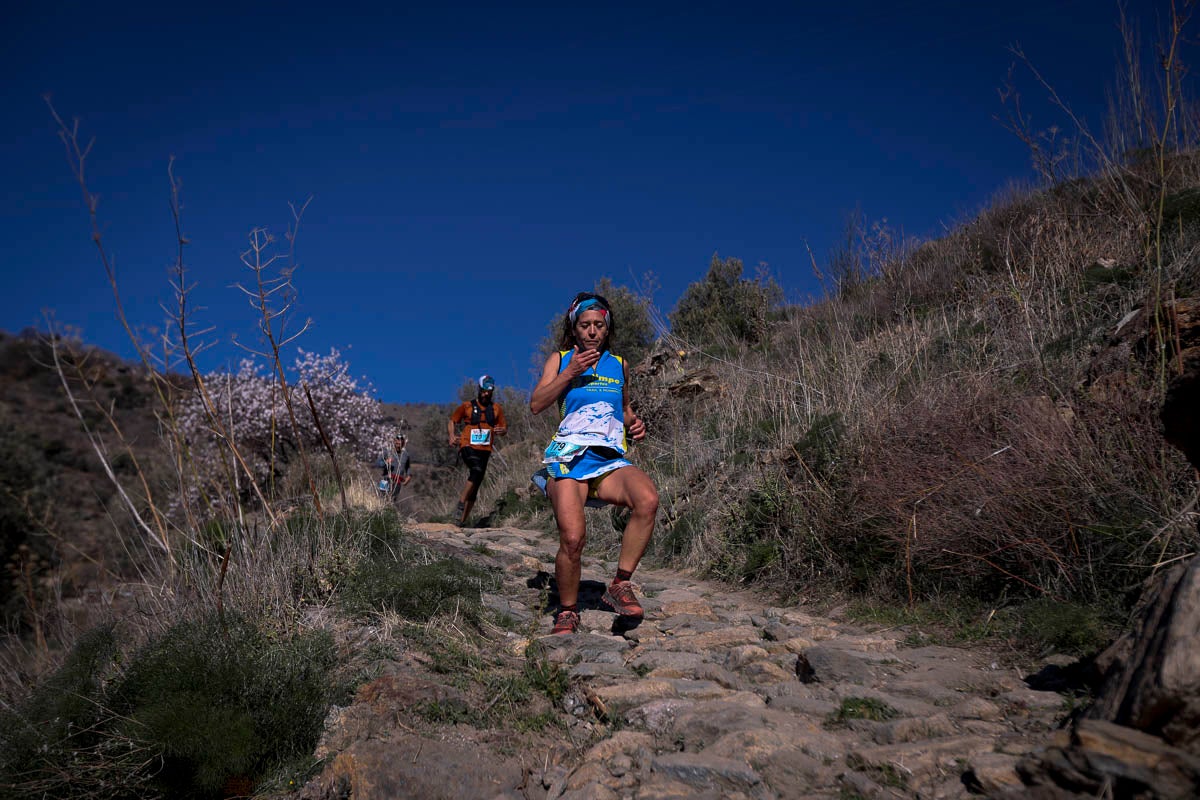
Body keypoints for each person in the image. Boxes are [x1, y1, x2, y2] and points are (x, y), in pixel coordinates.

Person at [530, 292, 659, 635]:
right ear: (574, 329)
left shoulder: (619, 365)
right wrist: (569, 371)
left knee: (647, 499)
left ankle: (619, 584)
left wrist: (634, 423)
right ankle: (568, 610)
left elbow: (625, 408)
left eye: (598, 325)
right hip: (569, 458)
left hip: (607, 459)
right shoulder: (559, 359)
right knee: (572, 539)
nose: (591, 332)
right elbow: (537, 403)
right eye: (584, 325)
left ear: (607, 329)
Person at [448, 375, 508, 526]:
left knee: (477, 483)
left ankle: (461, 522)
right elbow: (453, 420)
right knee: (476, 469)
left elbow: (503, 427)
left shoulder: (496, 409)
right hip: (467, 444)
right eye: (484, 391)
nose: (486, 394)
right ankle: (460, 503)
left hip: (485, 449)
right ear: (479, 389)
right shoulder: (467, 406)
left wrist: (502, 431)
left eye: (489, 392)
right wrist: (452, 435)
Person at [378, 433, 411, 502]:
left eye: (400, 440)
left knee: (393, 500)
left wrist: (409, 476)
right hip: (386, 479)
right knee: (382, 499)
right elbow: (378, 463)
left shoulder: (406, 455)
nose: (398, 442)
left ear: (403, 442)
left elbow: (408, 467)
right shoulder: (387, 451)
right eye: (396, 440)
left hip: (398, 481)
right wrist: (386, 462)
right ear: (394, 441)